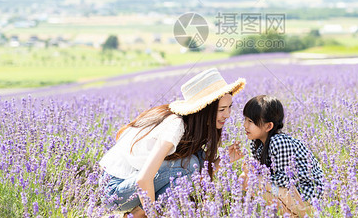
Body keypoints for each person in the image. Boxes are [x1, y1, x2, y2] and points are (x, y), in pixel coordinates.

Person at [98, 68, 246, 217]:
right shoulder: (175, 125)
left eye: (229, 107)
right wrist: (152, 214)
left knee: (195, 163)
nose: (227, 115)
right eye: (222, 109)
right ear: (204, 110)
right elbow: (144, 179)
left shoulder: (193, 129)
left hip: (130, 183)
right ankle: (136, 216)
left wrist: (222, 161)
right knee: (189, 165)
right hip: (114, 190)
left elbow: (200, 174)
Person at [241, 95, 323, 217]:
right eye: (245, 119)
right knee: (245, 178)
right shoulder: (256, 142)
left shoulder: (278, 142)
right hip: (288, 192)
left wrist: (260, 178)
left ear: (269, 126)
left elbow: (285, 179)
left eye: (250, 121)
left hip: (308, 194)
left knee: (255, 182)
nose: (245, 125)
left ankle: (301, 213)